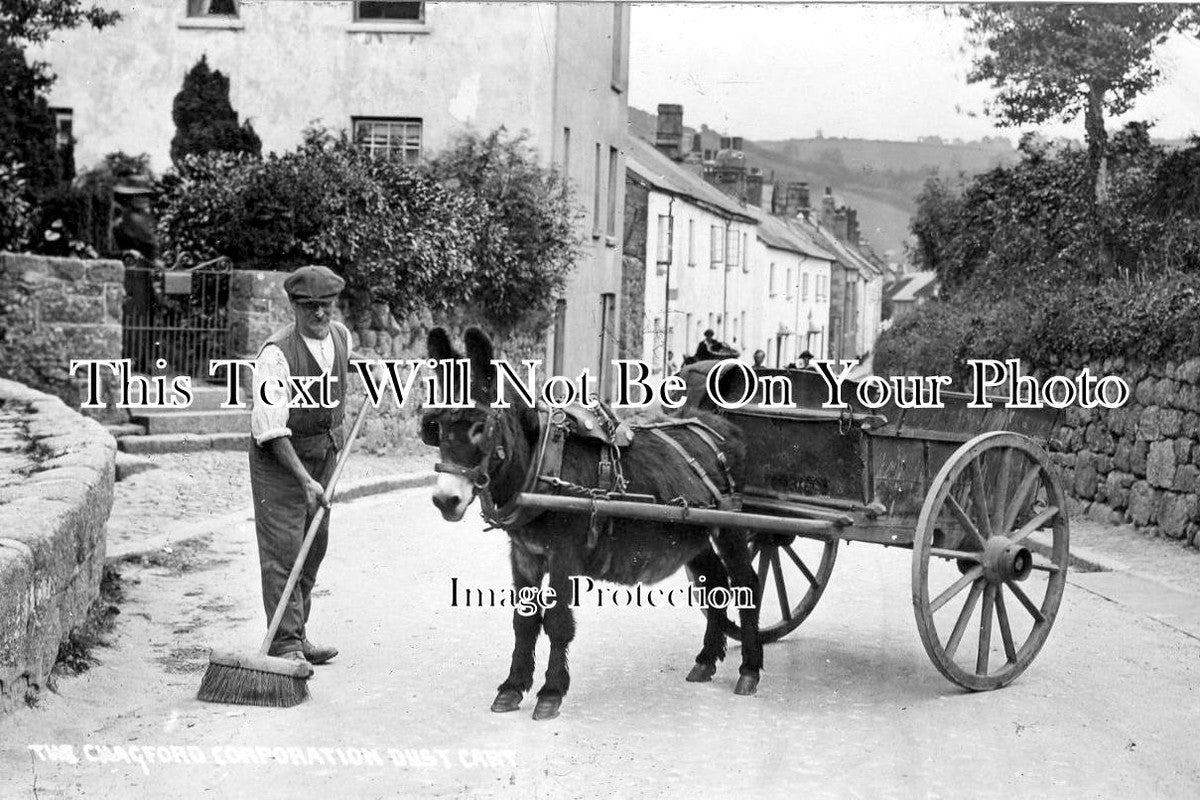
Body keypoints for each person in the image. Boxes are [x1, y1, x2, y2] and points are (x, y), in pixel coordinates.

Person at [248, 265, 351, 665]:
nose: (319, 313)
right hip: (280, 461)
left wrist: (371, 369)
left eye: (326, 304)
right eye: (309, 306)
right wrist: (305, 480)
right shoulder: (275, 355)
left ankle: (298, 634)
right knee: (284, 551)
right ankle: (285, 644)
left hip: (323, 455)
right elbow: (271, 431)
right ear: (292, 305)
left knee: (314, 547)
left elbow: (338, 362)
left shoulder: (340, 335)